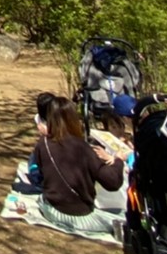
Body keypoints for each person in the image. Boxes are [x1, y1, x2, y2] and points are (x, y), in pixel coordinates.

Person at [32, 95, 125, 238]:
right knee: (123, 221)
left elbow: (39, 171)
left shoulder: (42, 143)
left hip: (50, 208)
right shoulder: (83, 148)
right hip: (77, 215)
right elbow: (112, 183)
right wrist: (118, 161)